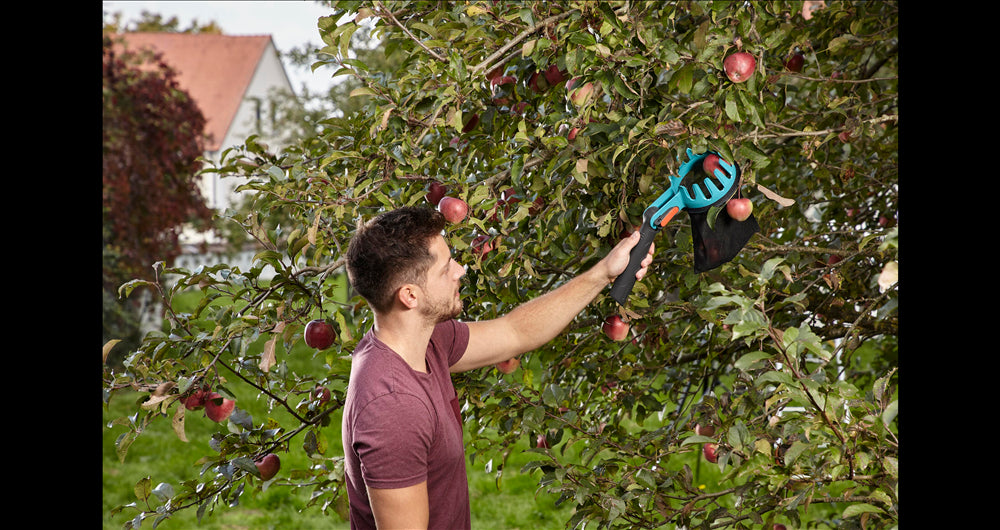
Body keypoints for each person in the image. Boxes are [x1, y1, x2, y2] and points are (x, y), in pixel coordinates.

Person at [342, 206, 655, 530]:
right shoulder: (393, 408)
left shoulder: (425, 341)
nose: (460, 270)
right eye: (446, 268)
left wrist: (605, 271)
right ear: (410, 296)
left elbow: (515, 331)